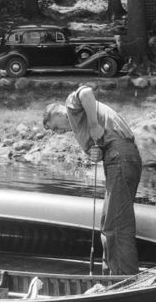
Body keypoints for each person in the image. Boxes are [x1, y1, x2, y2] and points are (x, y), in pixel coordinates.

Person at [43, 85, 141, 275]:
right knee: (108, 224)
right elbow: (97, 150)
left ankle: (125, 279)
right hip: (119, 159)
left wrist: (95, 124)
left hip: (120, 157)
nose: (57, 132)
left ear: (59, 113)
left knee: (116, 225)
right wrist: (96, 153)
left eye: (55, 126)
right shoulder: (79, 124)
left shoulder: (71, 107)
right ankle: (111, 274)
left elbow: (86, 92)